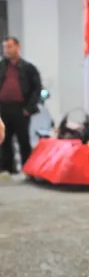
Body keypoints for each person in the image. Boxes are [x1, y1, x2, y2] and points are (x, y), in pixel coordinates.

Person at [0, 37, 42, 174]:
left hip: (21, 109)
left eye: (10, 46)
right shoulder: (1, 67)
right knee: (4, 140)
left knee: (23, 140)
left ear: (18, 47)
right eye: (5, 47)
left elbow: (37, 89)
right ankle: (7, 169)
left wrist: (29, 108)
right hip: (4, 109)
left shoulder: (28, 68)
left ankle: (27, 170)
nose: (7, 50)